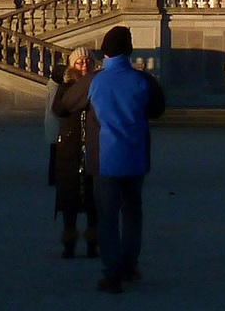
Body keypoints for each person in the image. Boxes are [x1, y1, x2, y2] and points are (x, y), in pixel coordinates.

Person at [83, 25, 166, 293]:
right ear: (128, 52)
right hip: (135, 157)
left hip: (105, 158)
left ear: (104, 52)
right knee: (132, 213)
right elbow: (157, 110)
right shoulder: (143, 80)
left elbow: (64, 106)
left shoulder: (95, 80)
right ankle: (130, 265)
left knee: (107, 217)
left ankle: (112, 273)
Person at [48, 49, 103, 258]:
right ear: (73, 65)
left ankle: (93, 242)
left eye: (88, 62)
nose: (84, 66)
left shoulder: (98, 85)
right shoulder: (66, 86)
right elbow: (58, 110)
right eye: (80, 62)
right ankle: (69, 242)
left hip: (92, 144)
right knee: (69, 197)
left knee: (93, 198)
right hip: (69, 147)